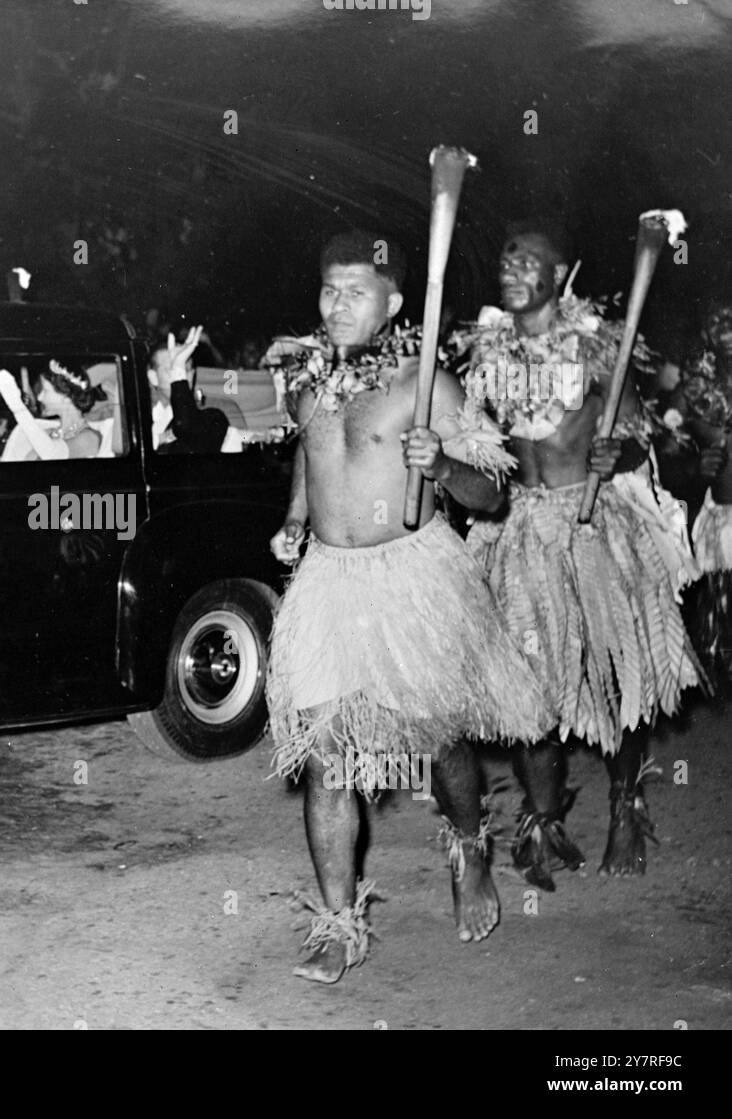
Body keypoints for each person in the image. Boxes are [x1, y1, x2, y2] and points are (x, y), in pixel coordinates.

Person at [266, 231, 550, 984]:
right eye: (330, 289)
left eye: (356, 291)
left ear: (392, 302)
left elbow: (492, 494)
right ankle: (337, 923)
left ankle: (469, 848)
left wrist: (444, 463)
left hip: (409, 576)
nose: (337, 305)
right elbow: (308, 449)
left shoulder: (427, 385)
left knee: (440, 742)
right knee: (328, 758)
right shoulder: (307, 381)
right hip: (330, 579)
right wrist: (297, 515)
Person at [458, 220, 705, 886]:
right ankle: (542, 821)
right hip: (519, 528)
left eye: (526, 259)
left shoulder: (594, 345)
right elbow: (481, 439)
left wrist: (615, 450)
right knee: (527, 687)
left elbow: (632, 434)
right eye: (505, 257)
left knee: (610, 679)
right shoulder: (487, 349)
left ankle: (626, 803)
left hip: (589, 522)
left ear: (558, 274)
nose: (510, 267)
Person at [668, 295, 732, 683]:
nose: (728, 330)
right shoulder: (690, 395)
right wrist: (695, 466)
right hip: (725, 529)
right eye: (719, 320)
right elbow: (661, 458)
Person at [148, 327, 238, 453]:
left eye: (187, 369)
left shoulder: (213, 415)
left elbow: (187, 429)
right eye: (171, 369)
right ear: (153, 377)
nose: (183, 376)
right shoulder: (143, 415)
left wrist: (178, 370)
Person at [0, 360, 105, 461]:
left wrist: (18, 408)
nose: (40, 397)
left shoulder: (90, 438)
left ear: (66, 397)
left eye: (45, 391)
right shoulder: (47, 433)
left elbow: (53, 455)